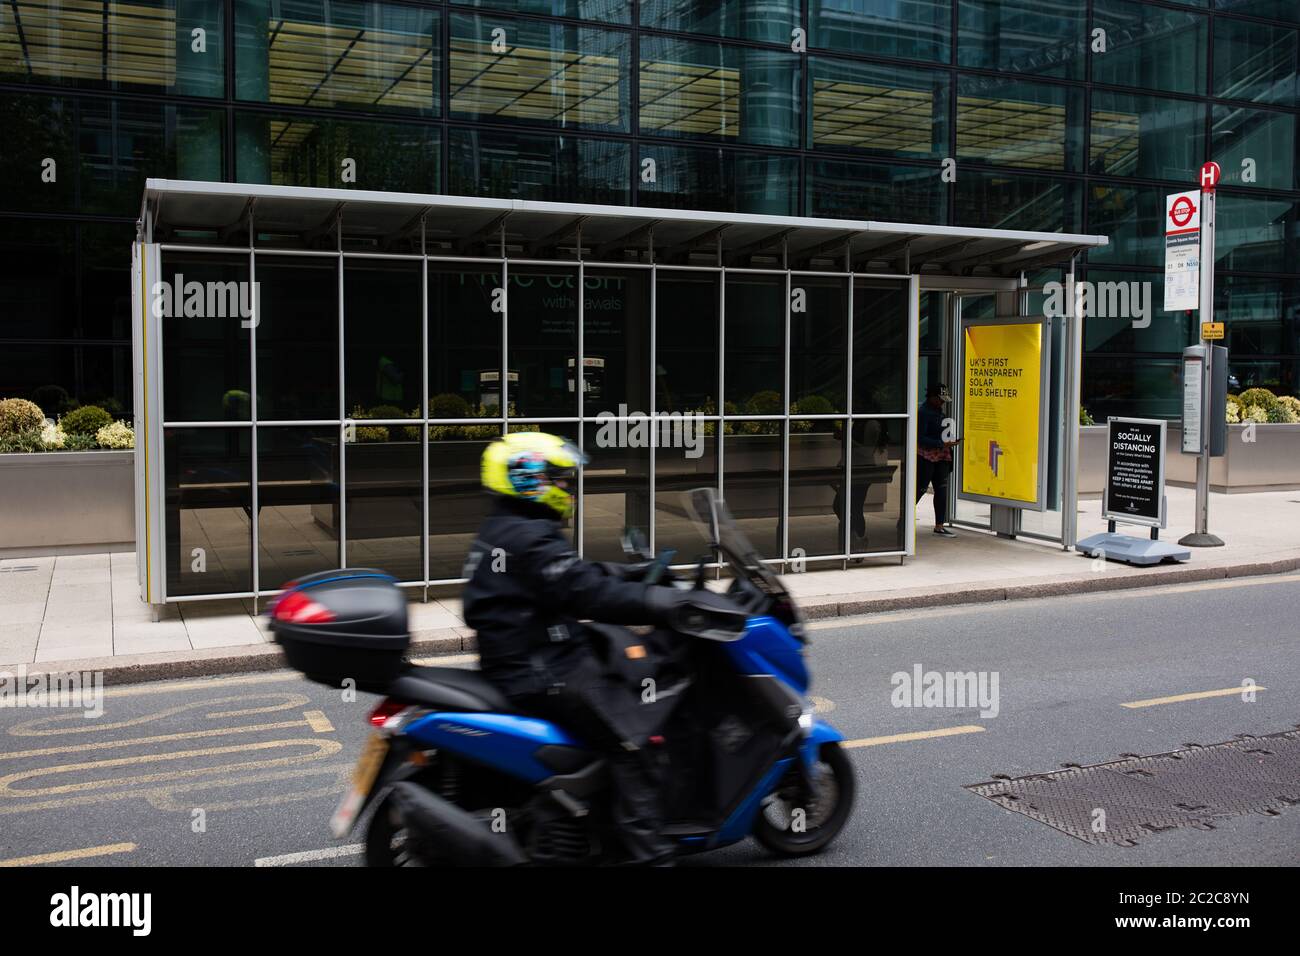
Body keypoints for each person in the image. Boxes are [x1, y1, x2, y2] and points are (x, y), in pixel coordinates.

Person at [461, 431, 727, 865]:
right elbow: (587, 595)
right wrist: (665, 604)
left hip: (529, 656)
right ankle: (651, 854)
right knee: (632, 738)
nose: (566, 487)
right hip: (543, 669)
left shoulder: (509, 528)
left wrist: (631, 572)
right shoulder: (530, 538)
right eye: (558, 478)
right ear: (527, 479)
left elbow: (571, 577)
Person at [916, 383, 959, 537]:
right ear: (932, 397)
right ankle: (904, 520)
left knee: (941, 488)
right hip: (926, 455)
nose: (942, 403)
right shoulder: (923, 412)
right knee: (920, 489)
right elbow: (920, 438)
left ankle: (939, 525)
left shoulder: (938, 411)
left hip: (941, 454)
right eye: (939, 399)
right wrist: (940, 443)